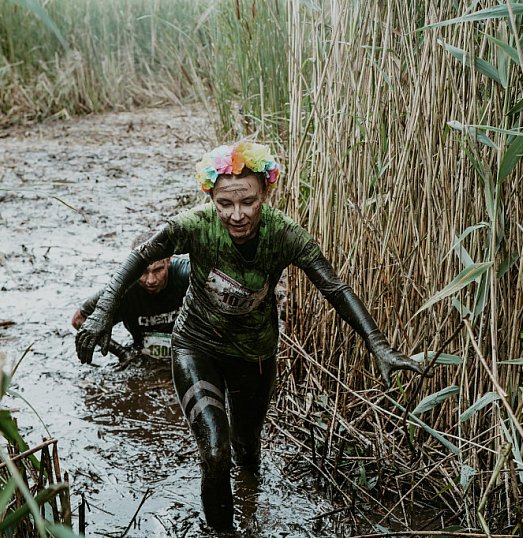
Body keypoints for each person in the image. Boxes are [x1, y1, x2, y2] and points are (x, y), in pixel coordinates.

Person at [74, 141, 425, 530]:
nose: (237, 215)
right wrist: (101, 314)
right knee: (214, 449)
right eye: (225, 204)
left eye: (248, 203)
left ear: (265, 194)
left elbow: (335, 288)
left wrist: (377, 343)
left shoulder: (286, 234)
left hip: (254, 353)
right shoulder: (194, 226)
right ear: (211, 198)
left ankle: (251, 502)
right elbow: (140, 255)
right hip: (196, 345)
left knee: (246, 450)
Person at [72, 233, 190, 363]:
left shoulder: (186, 274)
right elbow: (79, 320)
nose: (151, 280)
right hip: (144, 352)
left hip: (187, 348)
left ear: (168, 260)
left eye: (158, 270)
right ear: (134, 267)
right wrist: (122, 353)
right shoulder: (122, 287)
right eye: (143, 272)